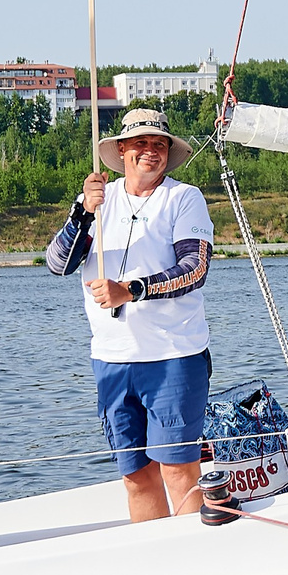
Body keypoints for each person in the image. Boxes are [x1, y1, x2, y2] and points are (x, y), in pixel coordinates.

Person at [45, 108, 216, 521]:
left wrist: (131, 290)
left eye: (159, 144)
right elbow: (57, 264)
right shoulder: (98, 201)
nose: (150, 151)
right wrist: (82, 212)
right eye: (140, 143)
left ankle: (197, 565)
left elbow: (195, 268)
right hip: (113, 359)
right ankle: (156, 565)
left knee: (178, 469)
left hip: (174, 356)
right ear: (121, 150)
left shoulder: (183, 198)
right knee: (136, 476)